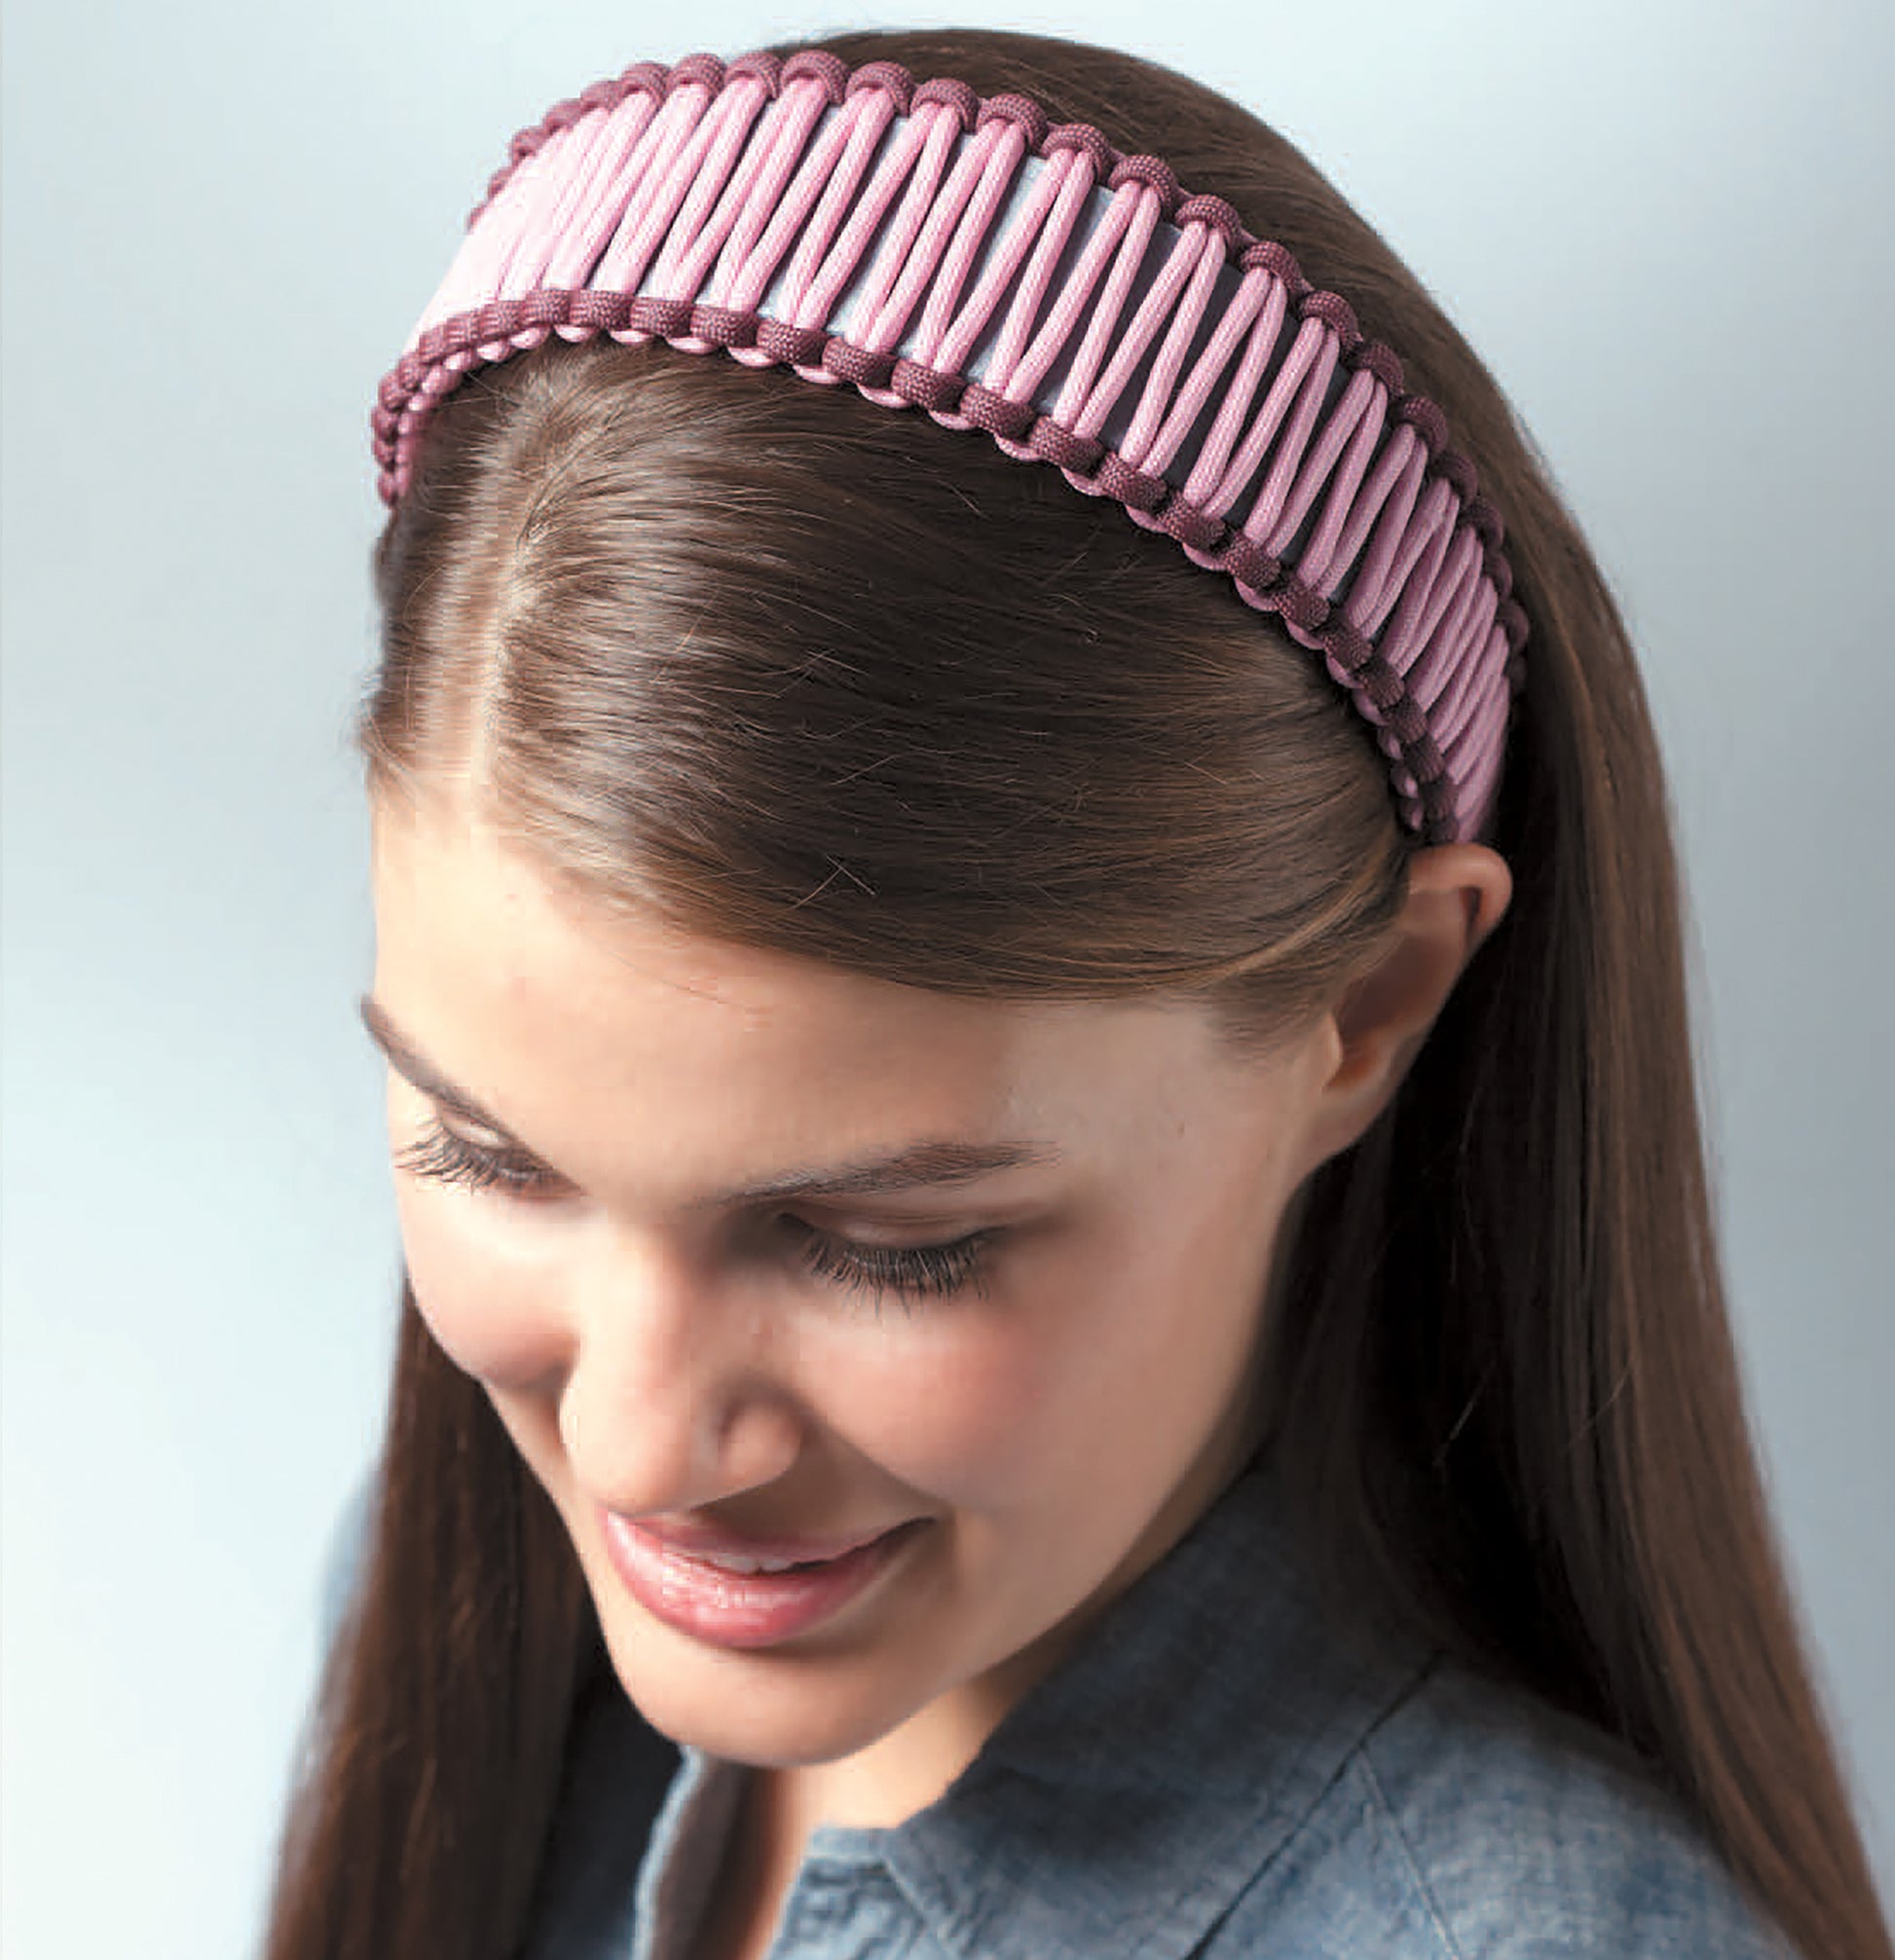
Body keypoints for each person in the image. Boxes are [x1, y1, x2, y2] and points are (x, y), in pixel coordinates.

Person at [263, 26, 1892, 1960]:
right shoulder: (465, 1634)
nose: (637, 1446)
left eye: (885, 1243)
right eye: (489, 1155)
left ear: (1369, 1006)